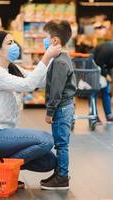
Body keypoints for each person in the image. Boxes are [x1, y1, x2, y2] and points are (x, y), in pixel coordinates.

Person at [0, 31, 62, 188]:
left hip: (7, 136)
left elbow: (40, 81)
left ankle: (3, 167)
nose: (15, 46)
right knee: (46, 140)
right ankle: (4, 172)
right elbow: (28, 85)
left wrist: (49, 56)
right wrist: (46, 57)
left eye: (14, 42)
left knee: (49, 162)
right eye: (9, 44)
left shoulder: (12, 67)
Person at [40, 20, 76, 190]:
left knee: (61, 144)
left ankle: (62, 177)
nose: (44, 41)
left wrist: (50, 111)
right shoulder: (62, 58)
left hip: (61, 107)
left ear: (54, 41)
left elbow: (56, 90)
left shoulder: (60, 62)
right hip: (64, 106)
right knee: (60, 142)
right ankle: (59, 172)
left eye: (46, 37)